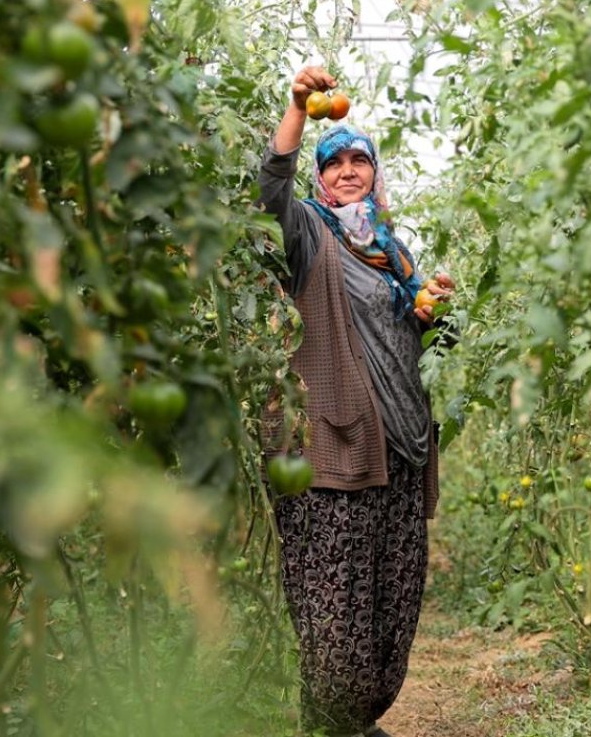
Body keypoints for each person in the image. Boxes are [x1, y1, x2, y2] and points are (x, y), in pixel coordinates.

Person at [256, 65, 455, 737]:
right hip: (333, 451)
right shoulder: (311, 233)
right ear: (320, 177)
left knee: (389, 613)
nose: (347, 171)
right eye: (333, 162)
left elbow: (419, 337)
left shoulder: (393, 253)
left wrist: (434, 312)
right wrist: (295, 108)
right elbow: (268, 192)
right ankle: (336, 724)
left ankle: (350, 724)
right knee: (333, 615)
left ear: (374, 174)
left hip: (398, 455)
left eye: (358, 161)